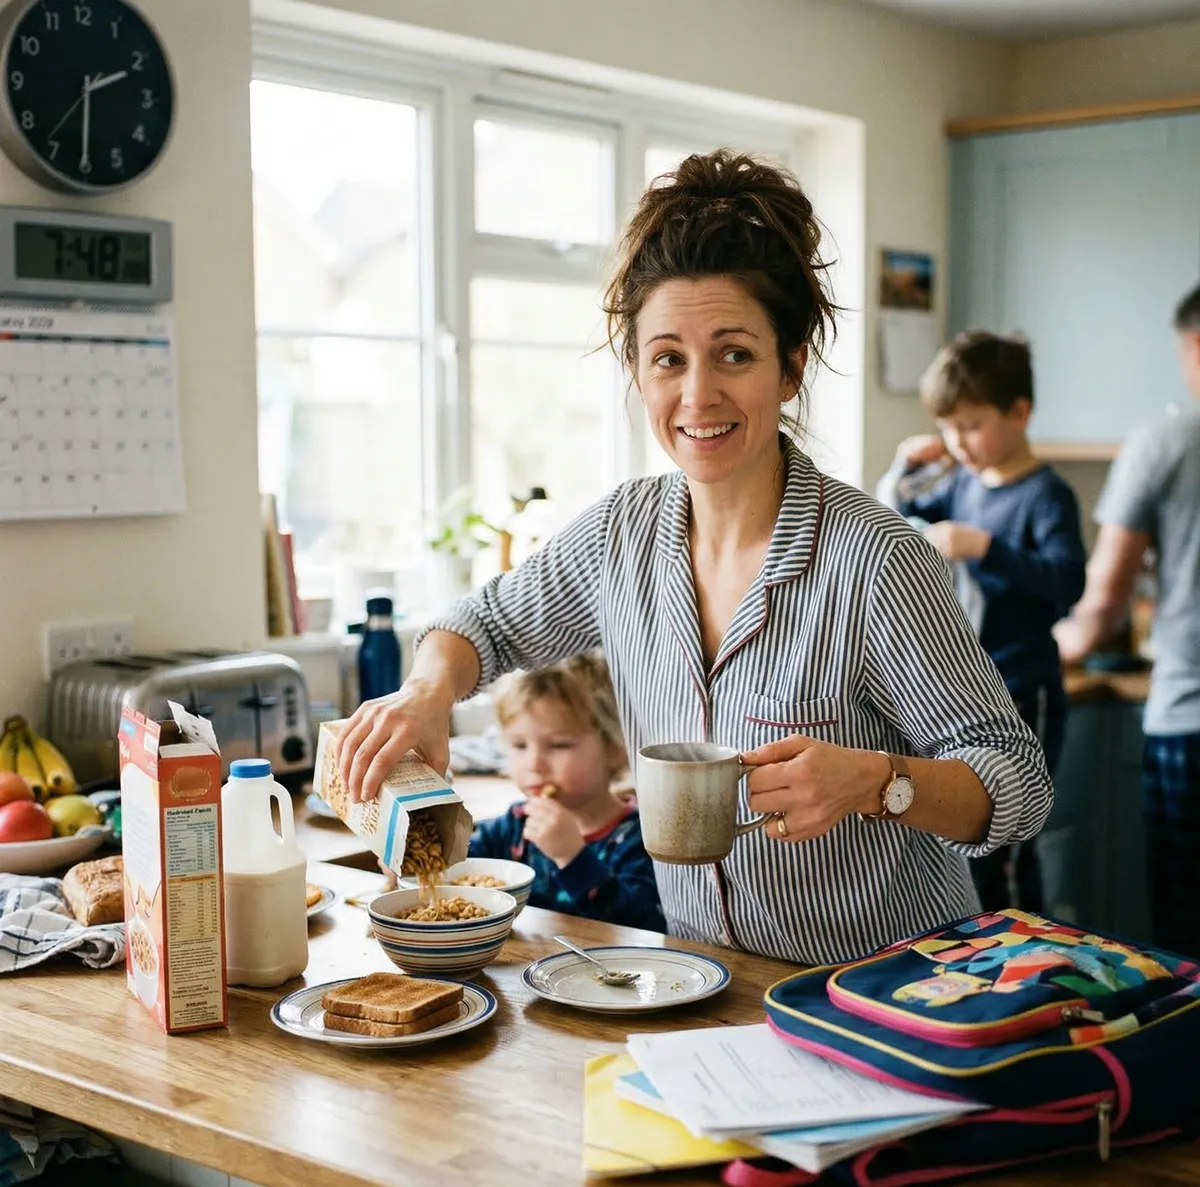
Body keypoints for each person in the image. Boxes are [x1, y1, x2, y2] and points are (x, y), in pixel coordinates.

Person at [336, 150, 1053, 967]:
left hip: (887, 993)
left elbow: (1018, 783)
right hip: (704, 985)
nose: (698, 394)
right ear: (638, 373)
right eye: (669, 358)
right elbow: (482, 624)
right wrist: (427, 692)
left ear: (791, 366)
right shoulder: (621, 535)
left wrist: (875, 781)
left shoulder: (876, 561)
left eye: (734, 354)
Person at [877, 331, 1086, 913]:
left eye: (970, 426)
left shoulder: (1046, 495)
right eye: (948, 428)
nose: (957, 442)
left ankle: (1023, 950)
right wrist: (904, 467)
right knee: (974, 843)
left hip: (1024, 687)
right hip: (970, 692)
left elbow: (1068, 582)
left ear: (1019, 412)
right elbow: (897, 514)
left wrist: (985, 547)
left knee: (1011, 843)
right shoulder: (964, 484)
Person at [1055, 283, 1200, 957]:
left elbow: (1100, 610)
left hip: (1189, 722)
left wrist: (1052, 641)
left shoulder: (1167, 441)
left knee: (1188, 931)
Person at [468, 652, 664, 931]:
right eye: (519, 745)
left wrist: (572, 857)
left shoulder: (643, 837)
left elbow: (642, 926)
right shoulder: (515, 825)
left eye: (558, 745)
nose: (534, 764)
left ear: (613, 748)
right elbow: (460, 864)